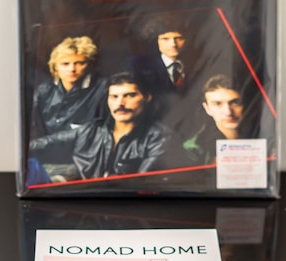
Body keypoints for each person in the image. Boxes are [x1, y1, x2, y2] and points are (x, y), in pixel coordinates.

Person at [29, 72, 176, 180]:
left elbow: (140, 183)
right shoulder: (93, 130)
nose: (120, 103)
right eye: (114, 97)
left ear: (147, 98)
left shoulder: (160, 138)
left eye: (130, 95)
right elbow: (45, 143)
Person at [30, 36, 109, 139]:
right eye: (65, 64)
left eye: (79, 63)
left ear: (89, 65)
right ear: (55, 67)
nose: (72, 69)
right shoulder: (44, 91)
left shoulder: (102, 88)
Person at [183, 74, 251, 165]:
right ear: (207, 109)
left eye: (235, 102)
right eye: (218, 104)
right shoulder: (195, 148)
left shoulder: (263, 133)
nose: (228, 112)